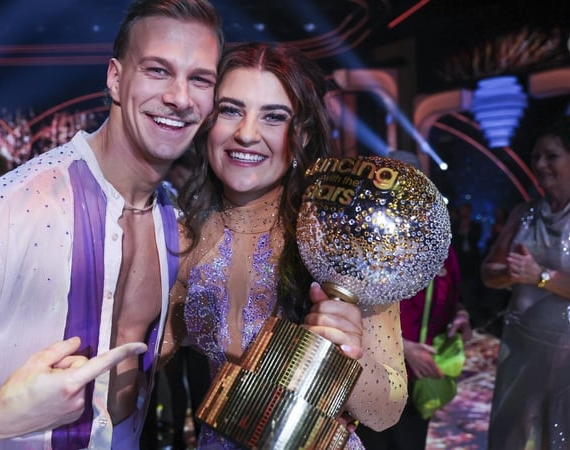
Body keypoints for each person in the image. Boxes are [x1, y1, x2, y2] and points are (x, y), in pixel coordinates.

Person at [0, 1, 223, 448]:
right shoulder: (16, 204)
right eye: (158, 71)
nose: (180, 98)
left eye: (200, 79)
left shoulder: (176, 227)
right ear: (115, 77)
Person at [160, 42, 407, 450]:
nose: (247, 133)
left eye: (274, 117)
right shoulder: (182, 239)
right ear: (208, 122)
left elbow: (386, 411)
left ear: (303, 135)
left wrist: (351, 351)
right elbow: (142, 359)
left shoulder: (343, 240)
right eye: (231, 110)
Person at [481, 117, 570, 450]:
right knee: (513, 433)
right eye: (536, 157)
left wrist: (541, 277)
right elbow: (489, 271)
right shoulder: (524, 213)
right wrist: (509, 275)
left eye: (552, 156)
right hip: (521, 347)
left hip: (566, 351)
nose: (541, 165)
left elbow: (538, 275)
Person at [356, 245, 472, 449]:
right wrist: (404, 348)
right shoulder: (384, 241)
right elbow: (357, 302)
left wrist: (461, 314)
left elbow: (453, 293)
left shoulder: (443, 244)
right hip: (377, 375)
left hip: (419, 380)